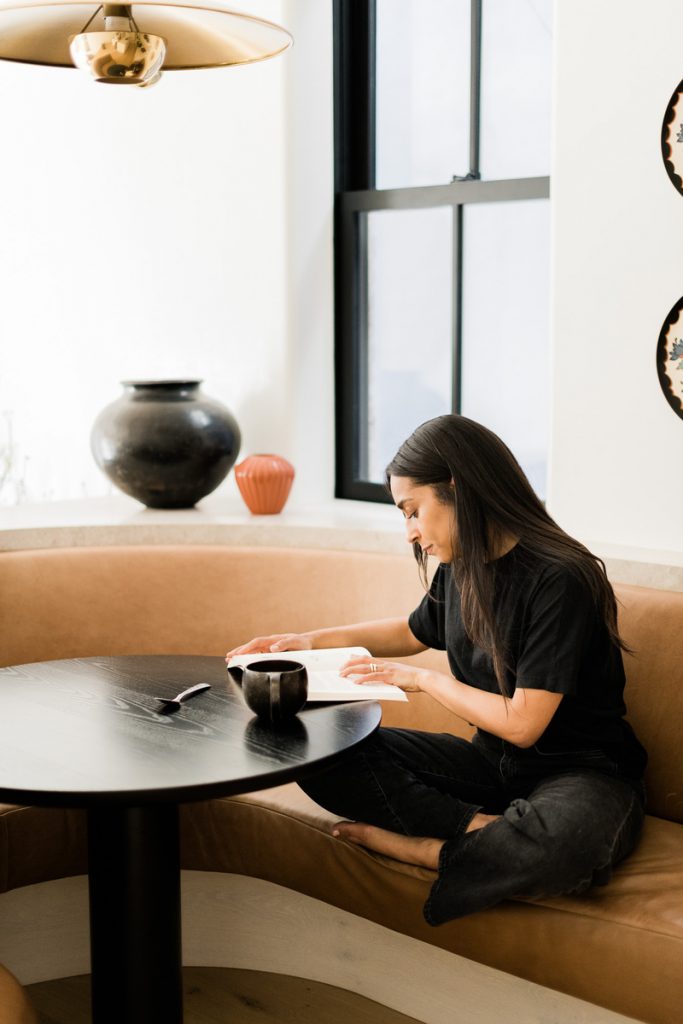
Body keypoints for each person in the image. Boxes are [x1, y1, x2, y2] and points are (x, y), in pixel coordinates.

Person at [225, 414, 647, 925]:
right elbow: (412, 631)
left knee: (569, 845)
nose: (411, 533)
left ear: (456, 489)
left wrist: (425, 679)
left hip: (581, 772)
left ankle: (426, 849)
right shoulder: (462, 564)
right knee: (314, 748)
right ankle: (483, 831)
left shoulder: (560, 578)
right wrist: (312, 640)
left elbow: (524, 722)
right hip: (492, 765)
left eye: (413, 511)